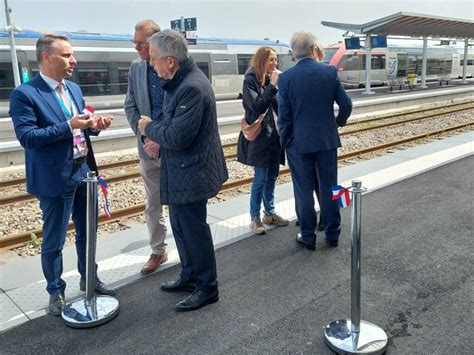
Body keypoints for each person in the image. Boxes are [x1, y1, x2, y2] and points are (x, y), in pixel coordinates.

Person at [10, 34, 115, 316]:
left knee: (87, 232)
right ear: (46, 57)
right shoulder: (25, 94)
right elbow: (28, 137)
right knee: (54, 239)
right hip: (54, 177)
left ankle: (89, 278)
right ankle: (55, 291)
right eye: (67, 55)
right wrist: (69, 125)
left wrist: (94, 126)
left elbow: (81, 127)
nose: (74, 60)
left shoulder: (73, 89)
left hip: (83, 170)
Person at [138, 29, 228, 311]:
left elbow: (179, 136)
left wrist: (148, 128)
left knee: (194, 231)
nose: (151, 64)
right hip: (181, 169)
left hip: (192, 171)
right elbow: (177, 130)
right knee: (180, 226)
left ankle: (207, 287)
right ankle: (190, 275)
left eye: (153, 59)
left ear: (170, 62)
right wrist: (160, 144)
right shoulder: (181, 81)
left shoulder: (191, 87)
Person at [278, 32, 352, 251]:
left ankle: (308, 235)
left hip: (298, 144)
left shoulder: (286, 78)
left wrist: (286, 141)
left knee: (303, 190)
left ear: (294, 53)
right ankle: (333, 233)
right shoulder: (329, 72)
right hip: (327, 141)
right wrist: (337, 123)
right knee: (332, 187)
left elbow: (284, 117)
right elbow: (346, 105)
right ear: (313, 49)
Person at [124, 19, 168, 275]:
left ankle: (188, 249)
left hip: (174, 148)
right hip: (148, 150)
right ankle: (158, 251)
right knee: (153, 204)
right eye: (135, 43)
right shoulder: (136, 67)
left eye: (141, 43)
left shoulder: (172, 62)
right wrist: (145, 138)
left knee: (182, 203)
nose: (137, 48)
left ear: (155, 41)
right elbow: (130, 105)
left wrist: (163, 138)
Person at [236, 46, 289, 235]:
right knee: (260, 178)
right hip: (260, 138)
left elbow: (278, 106)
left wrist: (279, 87)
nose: (274, 63)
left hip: (274, 136)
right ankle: (254, 217)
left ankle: (270, 212)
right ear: (261, 61)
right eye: (271, 60)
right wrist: (273, 86)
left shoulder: (268, 80)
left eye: (275, 60)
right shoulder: (250, 80)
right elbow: (257, 105)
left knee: (272, 176)